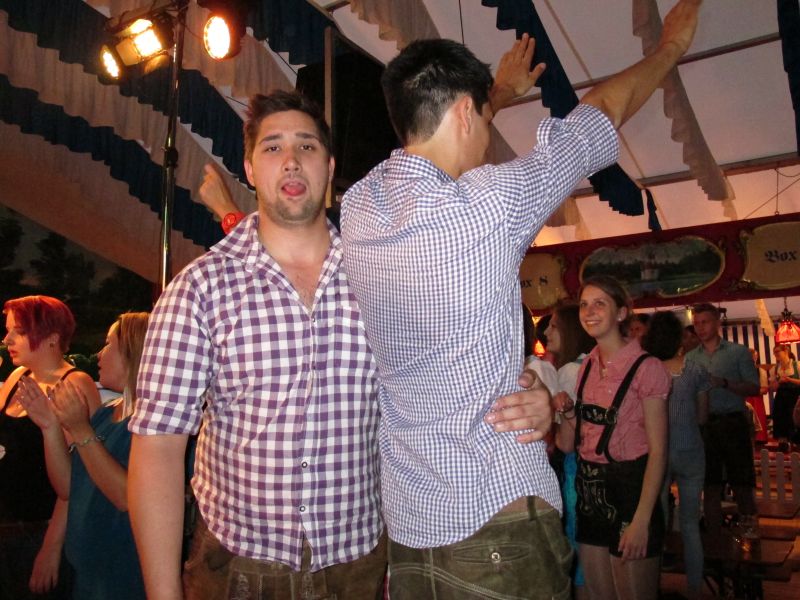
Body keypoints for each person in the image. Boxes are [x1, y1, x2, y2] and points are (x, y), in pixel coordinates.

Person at [338, 1, 701, 596]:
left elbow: (438, 139)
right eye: (481, 117)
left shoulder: (360, 207)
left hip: (410, 528)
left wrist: (496, 94)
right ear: (465, 112)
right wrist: (669, 49)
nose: (486, 136)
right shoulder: (489, 204)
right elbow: (599, 116)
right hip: (495, 521)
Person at [127, 91, 551, 600]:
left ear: (329, 168)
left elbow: (448, 383)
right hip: (238, 570)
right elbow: (158, 449)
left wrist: (527, 393)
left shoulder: (385, 276)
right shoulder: (199, 289)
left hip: (360, 568)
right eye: (272, 147)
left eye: (306, 146)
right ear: (250, 169)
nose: (291, 160)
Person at [552, 276, 669, 599]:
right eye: (584, 304)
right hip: (590, 490)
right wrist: (568, 412)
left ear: (621, 313)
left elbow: (659, 452)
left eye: (599, 303)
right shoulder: (586, 367)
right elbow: (567, 444)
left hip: (631, 490)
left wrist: (642, 519)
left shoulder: (647, 368)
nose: (589, 311)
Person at [19, 313, 149, 599]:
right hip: (89, 571)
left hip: (123, 575)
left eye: (109, 344)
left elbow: (126, 496)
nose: (99, 354)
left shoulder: (151, 425)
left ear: (134, 352)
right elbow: (69, 487)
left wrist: (79, 429)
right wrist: (50, 426)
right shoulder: (106, 414)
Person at [0, 295, 100, 600]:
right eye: (8, 330)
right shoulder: (18, 376)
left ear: (52, 338)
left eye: (18, 332)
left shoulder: (75, 384)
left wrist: (50, 547)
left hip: (37, 530)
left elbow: (81, 476)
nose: (7, 340)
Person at [641, 311, 709, 600]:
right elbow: (703, 416)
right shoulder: (695, 370)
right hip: (691, 448)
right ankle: (695, 589)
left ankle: (653, 584)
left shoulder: (648, 371)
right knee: (691, 525)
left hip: (657, 451)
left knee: (657, 521)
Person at [685, 303, 760, 535]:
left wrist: (724, 383)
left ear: (717, 323)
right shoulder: (690, 358)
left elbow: (754, 388)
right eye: (696, 324)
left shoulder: (738, 352)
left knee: (742, 480)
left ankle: (749, 530)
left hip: (733, 421)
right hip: (705, 424)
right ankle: (714, 535)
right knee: (710, 483)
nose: (700, 328)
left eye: (705, 322)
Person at [546, 303, 595, 599]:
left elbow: (566, 441)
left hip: (576, 468)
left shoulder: (567, 371)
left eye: (554, 325)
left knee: (578, 551)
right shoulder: (591, 364)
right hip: (598, 469)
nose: (547, 332)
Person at [769, 344, 800, 452]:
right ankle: (783, 444)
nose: (775, 354)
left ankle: (796, 443)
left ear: (786, 351)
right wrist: (778, 382)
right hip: (781, 397)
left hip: (795, 396)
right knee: (780, 419)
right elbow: (772, 388)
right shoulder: (774, 368)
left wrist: (789, 379)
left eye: (778, 351)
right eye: (774, 352)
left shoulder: (797, 365)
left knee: (795, 419)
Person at [746, 348, 768, 446]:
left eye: (754, 356)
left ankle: (759, 440)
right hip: (745, 399)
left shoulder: (760, 371)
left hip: (756, 399)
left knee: (758, 420)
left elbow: (765, 389)